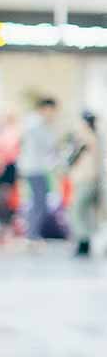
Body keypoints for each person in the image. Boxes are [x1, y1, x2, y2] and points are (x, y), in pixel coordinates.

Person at [19, 97, 62, 245]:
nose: (53, 114)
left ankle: (32, 234)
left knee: (39, 202)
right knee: (39, 203)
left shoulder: (36, 123)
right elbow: (49, 145)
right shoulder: (36, 123)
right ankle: (32, 235)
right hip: (34, 169)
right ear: (44, 109)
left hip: (37, 168)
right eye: (51, 110)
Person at [69, 110, 102, 256]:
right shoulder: (93, 137)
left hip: (87, 180)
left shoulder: (87, 137)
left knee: (78, 210)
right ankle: (84, 240)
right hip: (86, 179)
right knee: (84, 211)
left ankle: (84, 241)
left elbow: (72, 158)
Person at [0, 109, 22, 235]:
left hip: (6, 167)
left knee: (5, 197)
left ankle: (6, 221)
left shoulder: (11, 134)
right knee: (1, 197)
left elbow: (8, 151)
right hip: (2, 167)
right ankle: (4, 222)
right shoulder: (3, 134)